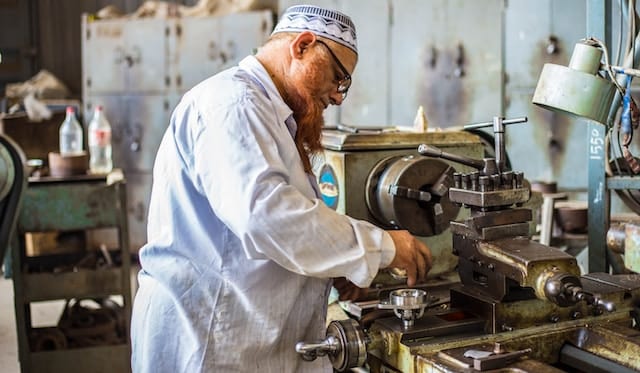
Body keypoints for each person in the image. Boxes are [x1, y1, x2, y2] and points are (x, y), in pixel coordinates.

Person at [130, 4, 433, 372]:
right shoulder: (234, 105)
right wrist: (384, 247)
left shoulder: (269, 116)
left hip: (236, 335)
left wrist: (330, 268)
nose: (338, 96)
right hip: (207, 339)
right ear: (303, 45)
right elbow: (266, 217)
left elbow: (277, 224)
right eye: (339, 77)